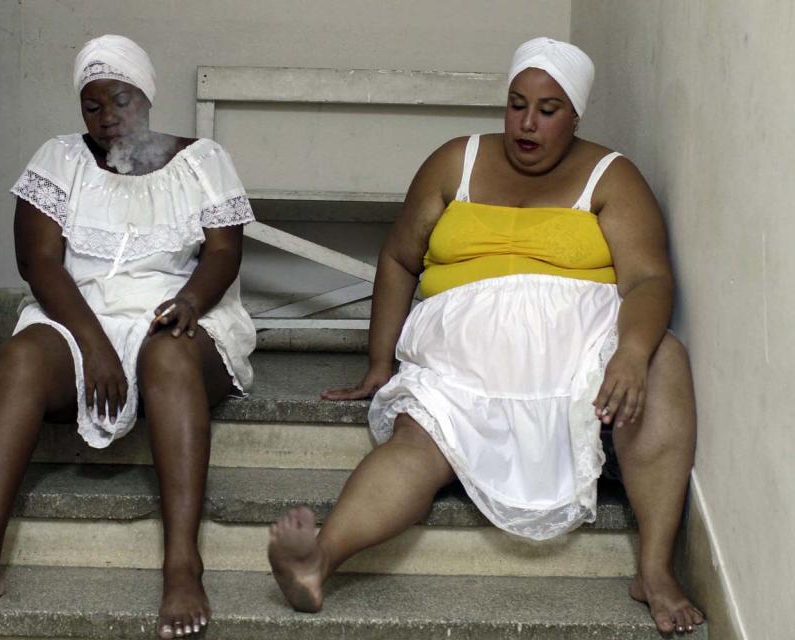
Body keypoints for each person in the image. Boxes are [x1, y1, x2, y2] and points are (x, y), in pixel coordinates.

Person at [268, 37, 704, 636]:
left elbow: (651, 277)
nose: (527, 123)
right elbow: (399, 259)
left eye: (548, 111)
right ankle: (319, 561)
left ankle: (654, 570)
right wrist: (378, 362)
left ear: (575, 115)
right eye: (516, 104)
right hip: (460, 361)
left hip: (579, 357)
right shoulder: (457, 161)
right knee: (415, 447)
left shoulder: (611, 175)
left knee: (666, 360)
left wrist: (631, 351)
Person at [0, 35, 256, 638]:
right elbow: (40, 264)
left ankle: (183, 562)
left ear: (146, 95)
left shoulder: (203, 160)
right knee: (21, 358)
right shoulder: (59, 160)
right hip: (78, 313)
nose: (108, 119)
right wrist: (96, 345)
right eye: (93, 107)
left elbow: (225, 251)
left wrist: (189, 301)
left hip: (175, 311)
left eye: (121, 101)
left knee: (170, 353)